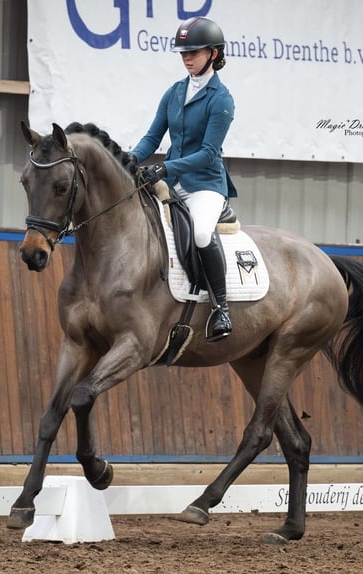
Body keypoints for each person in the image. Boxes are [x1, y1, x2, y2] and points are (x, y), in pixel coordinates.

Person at [131, 16, 237, 342]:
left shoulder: (222, 100)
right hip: (174, 178)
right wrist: (128, 161)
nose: (187, 58)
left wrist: (165, 169)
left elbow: (208, 153)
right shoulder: (174, 92)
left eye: (194, 51)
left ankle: (221, 308)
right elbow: (152, 138)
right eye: (183, 53)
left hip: (205, 184)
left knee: (202, 233)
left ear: (214, 53)